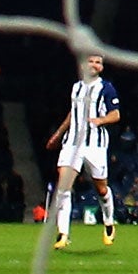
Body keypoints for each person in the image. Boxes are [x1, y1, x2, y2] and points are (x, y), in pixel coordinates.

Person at [45, 53, 120, 249]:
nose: (94, 65)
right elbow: (73, 113)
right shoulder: (76, 87)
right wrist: (58, 134)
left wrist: (100, 120)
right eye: (91, 61)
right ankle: (63, 234)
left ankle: (109, 222)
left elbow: (116, 115)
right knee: (63, 187)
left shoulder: (106, 88)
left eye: (98, 62)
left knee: (101, 189)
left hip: (95, 145)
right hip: (71, 143)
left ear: (101, 67)